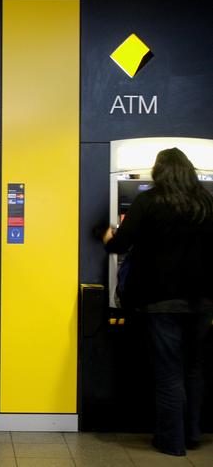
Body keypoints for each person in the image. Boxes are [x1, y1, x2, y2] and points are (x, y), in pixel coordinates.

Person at [102, 147, 213, 456]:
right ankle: (192, 434)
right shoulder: (206, 202)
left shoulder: (149, 201)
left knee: (168, 372)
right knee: (193, 368)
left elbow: (121, 244)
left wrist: (107, 235)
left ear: (158, 172)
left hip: (161, 300)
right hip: (201, 301)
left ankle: (171, 441)